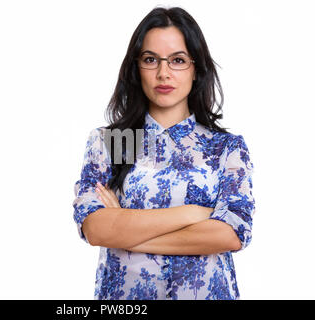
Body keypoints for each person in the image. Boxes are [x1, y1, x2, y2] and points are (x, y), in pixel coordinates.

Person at [72, 6, 255, 300]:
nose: (163, 73)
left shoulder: (224, 147)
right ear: (136, 68)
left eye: (178, 60)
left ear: (197, 69)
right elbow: (96, 229)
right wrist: (194, 214)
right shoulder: (113, 141)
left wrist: (126, 229)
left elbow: (231, 234)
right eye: (150, 59)